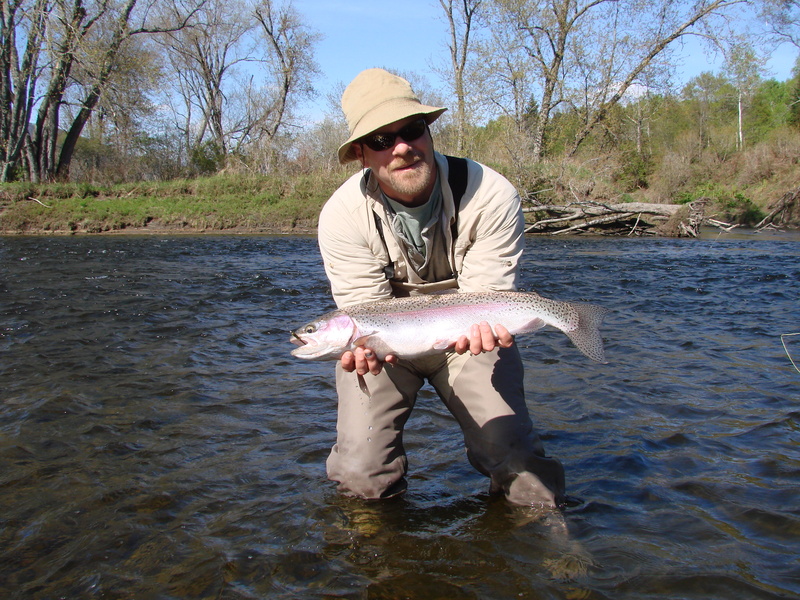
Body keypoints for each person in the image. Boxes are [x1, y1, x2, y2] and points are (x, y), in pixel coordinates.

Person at [316, 68, 566, 507]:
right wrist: (357, 345)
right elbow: (364, 310)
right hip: (384, 348)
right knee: (360, 473)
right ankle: (375, 550)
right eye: (381, 140)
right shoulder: (342, 216)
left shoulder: (490, 193)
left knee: (519, 461)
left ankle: (547, 545)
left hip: (468, 339)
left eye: (412, 130)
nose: (402, 148)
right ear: (360, 154)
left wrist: (489, 326)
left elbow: (487, 299)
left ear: (428, 131)